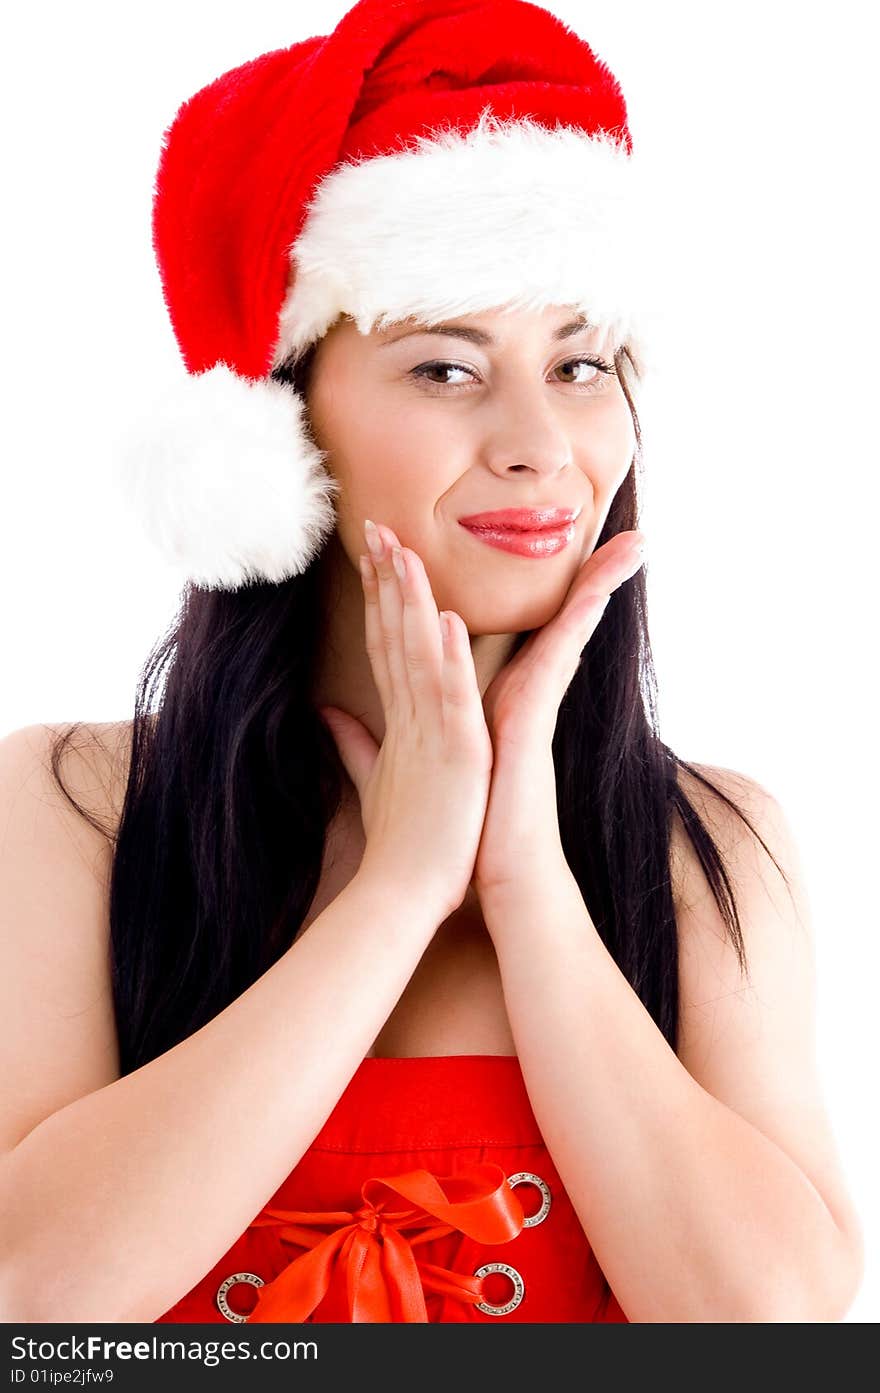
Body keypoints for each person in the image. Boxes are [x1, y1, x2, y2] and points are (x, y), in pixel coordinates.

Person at [0, 0, 864, 1325]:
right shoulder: (78, 805)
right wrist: (396, 890)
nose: (539, 443)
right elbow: (34, 1297)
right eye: (447, 369)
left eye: (580, 361)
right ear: (282, 426)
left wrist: (525, 884)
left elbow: (777, 1329)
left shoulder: (715, 843)